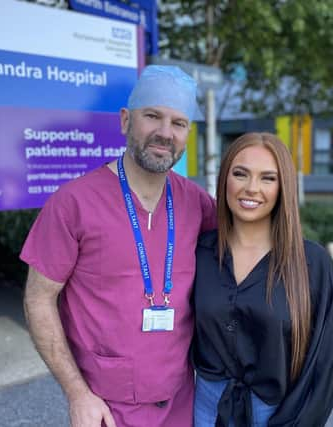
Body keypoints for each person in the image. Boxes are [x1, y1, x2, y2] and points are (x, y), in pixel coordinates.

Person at [20, 65, 217, 427]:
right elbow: (38, 298)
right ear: (126, 120)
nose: (164, 133)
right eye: (152, 116)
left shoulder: (198, 203)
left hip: (182, 400)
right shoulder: (73, 203)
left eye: (178, 123)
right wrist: (77, 394)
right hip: (105, 408)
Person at [192, 133, 333, 427]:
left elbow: (325, 367)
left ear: (283, 187)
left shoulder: (312, 264)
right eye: (240, 174)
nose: (251, 188)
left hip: (276, 413)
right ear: (225, 179)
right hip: (207, 406)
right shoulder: (200, 252)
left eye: (268, 178)